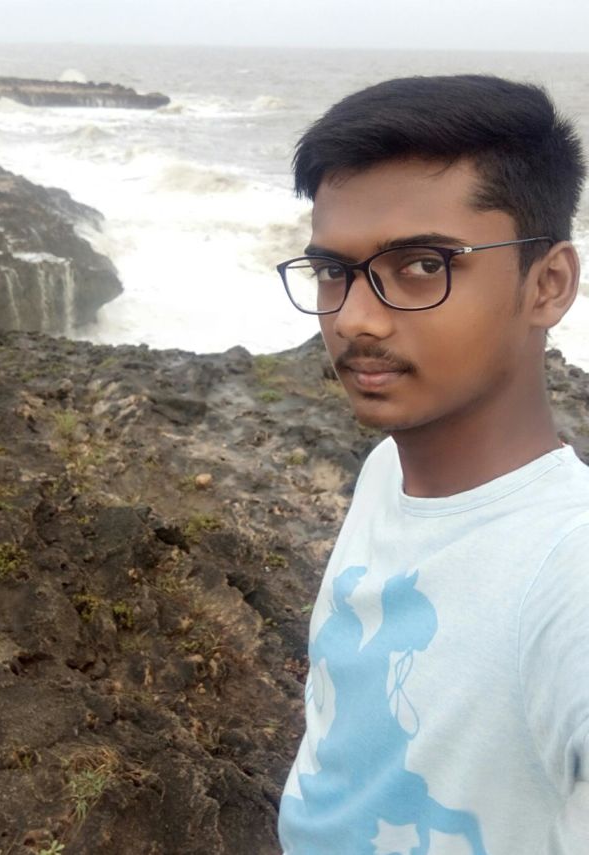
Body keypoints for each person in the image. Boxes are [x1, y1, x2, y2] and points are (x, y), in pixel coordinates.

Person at [275, 75, 589, 855]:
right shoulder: (388, 470)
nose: (355, 318)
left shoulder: (569, 577)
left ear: (549, 284)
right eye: (333, 270)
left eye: (421, 265)